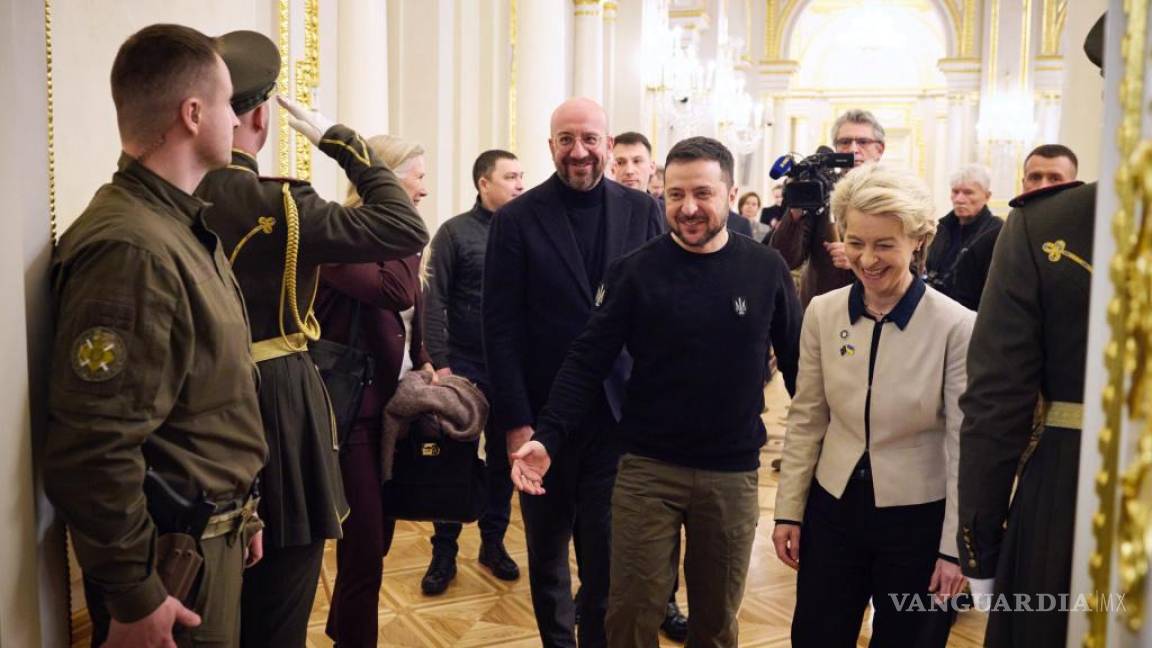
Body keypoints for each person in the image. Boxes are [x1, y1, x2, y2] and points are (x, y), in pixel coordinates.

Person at [511, 136, 800, 647]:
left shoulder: (765, 269)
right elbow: (586, 359)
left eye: (703, 194)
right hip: (646, 468)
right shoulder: (635, 270)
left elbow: (800, 370)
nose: (688, 208)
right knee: (630, 615)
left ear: (730, 196)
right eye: (675, 194)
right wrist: (548, 436)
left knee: (715, 622)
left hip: (731, 474)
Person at [193, 31, 429, 647]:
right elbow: (404, 225)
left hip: (193, 415)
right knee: (281, 593)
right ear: (261, 115)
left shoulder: (167, 199)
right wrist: (342, 142)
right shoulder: (281, 205)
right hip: (278, 407)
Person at [43, 25, 265, 648]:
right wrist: (136, 595)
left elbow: (206, 400)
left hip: (207, 537)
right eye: (227, 103)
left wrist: (242, 508)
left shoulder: (175, 226)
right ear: (193, 114)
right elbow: (93, 447)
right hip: (168, 568)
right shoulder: (131, 246)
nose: (237, 116)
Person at [484, 97, 664, 647]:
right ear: (551, 147)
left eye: (590, 139)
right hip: (542, 420)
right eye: (567, 140)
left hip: (619, 420)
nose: (578, 151)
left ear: (609, 146)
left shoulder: (641, 212)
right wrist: (517, 423)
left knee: (606, 559)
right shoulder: (516, 219)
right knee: (546, 556)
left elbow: (658, 314)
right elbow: (501, 329)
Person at [773, 163, 973, 647]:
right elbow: (807, 418)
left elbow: (964, 443)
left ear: (917, 240)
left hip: (918, 516)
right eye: (856, 242)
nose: (867, 259)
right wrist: (788, 512)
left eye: (885, 244)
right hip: (833, 507)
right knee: (818, 635)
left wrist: (955, 549)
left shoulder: (956, 325)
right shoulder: (823, 311)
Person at [956, 16, 1105, 647]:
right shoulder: (1037, 226)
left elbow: (996, 403)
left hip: (1071, 501)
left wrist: (981, 548)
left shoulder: (1047, 225)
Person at [315, 134, 437, 648]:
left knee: (378, 539)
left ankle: (344, 628)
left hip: (392, 410)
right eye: (418, 178)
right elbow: (395, 291)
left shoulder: (389, 241)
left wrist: (428, 361)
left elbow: (411, 314)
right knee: (364, 545)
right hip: (351, 414)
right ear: (386, 177)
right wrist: (409, 235)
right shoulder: (341, 237)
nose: (424, 192)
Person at [421, 149, 525, 593]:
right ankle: (444, 551)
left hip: (512, 368)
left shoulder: (526, 230)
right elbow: (434, 299)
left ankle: (493, 542)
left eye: (522, 176)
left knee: (504, 459)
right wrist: (440, 363)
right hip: (462, 366)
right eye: (511, 177)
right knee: (454, 459)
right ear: (484, 183)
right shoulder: (454, 233)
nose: (521, 184)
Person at [770, 109, 886, 307]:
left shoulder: (897, 195)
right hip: (823, 311)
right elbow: (785, 259)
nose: (853, 149)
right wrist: (796, 211)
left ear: (879, 149)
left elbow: (911, 265)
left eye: (863, 142)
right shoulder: (821, 191)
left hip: (878, 309)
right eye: (845, 142)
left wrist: (859, 259)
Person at [951, 144, 1081, 310]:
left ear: (1074, 185)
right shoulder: (992, 241)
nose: (1043, 186)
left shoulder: (1091, 240)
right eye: (1035, 177)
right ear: (1024, 182)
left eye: (1055, 178)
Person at [923, 163, 1001, 301]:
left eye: (968, 192)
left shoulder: (997, 233)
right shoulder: (940, 228)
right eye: (955, 192)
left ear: (987, 196)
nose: (959, 199)